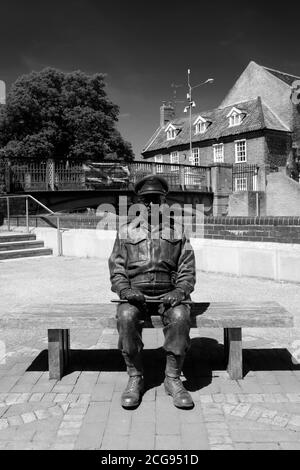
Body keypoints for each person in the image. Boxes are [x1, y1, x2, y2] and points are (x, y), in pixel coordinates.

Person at [108, 174, 196, 409]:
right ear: (139, 202)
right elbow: (116, 269)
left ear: (164, 202)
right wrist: (125, 290)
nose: (150, 204)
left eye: (155, 199)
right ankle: (135, 377)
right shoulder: (126, 231)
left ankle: (173, 378)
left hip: (169, 294)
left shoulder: (177, 231)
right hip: (136, 295)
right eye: (146, 199)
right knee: (126, 317)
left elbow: (187, 268)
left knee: (180, 317)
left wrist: (180, 291)